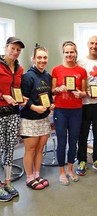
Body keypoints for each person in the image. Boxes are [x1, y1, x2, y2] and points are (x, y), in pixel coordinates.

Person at [51, 41, 87, 185]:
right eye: (67, 52)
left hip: (76, 111)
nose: (69, 54)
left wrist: (81, 94)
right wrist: (58, 89)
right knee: (62, 142)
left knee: (73, 141)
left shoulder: (81, 71)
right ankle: (61, 172)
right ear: (63, 53)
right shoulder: (56, 70)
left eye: (72, 52)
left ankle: (70, 169)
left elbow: (85, 92)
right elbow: (52, 90)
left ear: (75, 53)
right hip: (60, 110)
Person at [76, 36, 97, 176]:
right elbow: (77, 82)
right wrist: (85, 92)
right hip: (84, 105)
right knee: (82, 134)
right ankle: (82, 161)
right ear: (87, 44)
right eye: (92, 43)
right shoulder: (80, 62)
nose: (94, 46)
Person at [20, 45, 53, 190]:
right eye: (39, 57)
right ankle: (29, 177)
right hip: (30, 119)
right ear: (33, 59)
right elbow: (23, 99)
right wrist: (34, 107)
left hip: (44, 119)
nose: (42, 60)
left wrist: (51, 105)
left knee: (40, 148)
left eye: (45, 57)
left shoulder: (48, 76)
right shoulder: (27, 76)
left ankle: (37, 174)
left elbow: (49, 96)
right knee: (31, 150)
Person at [0, 37, 26, 201]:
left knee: (9, 148)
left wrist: (21, 98)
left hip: (13, 113)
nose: (15, 52)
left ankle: (7, 182)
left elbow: (17, 90)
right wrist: (3, 96)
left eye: (18, 50)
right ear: (5, 47)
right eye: (12, 48)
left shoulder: (20, 69)